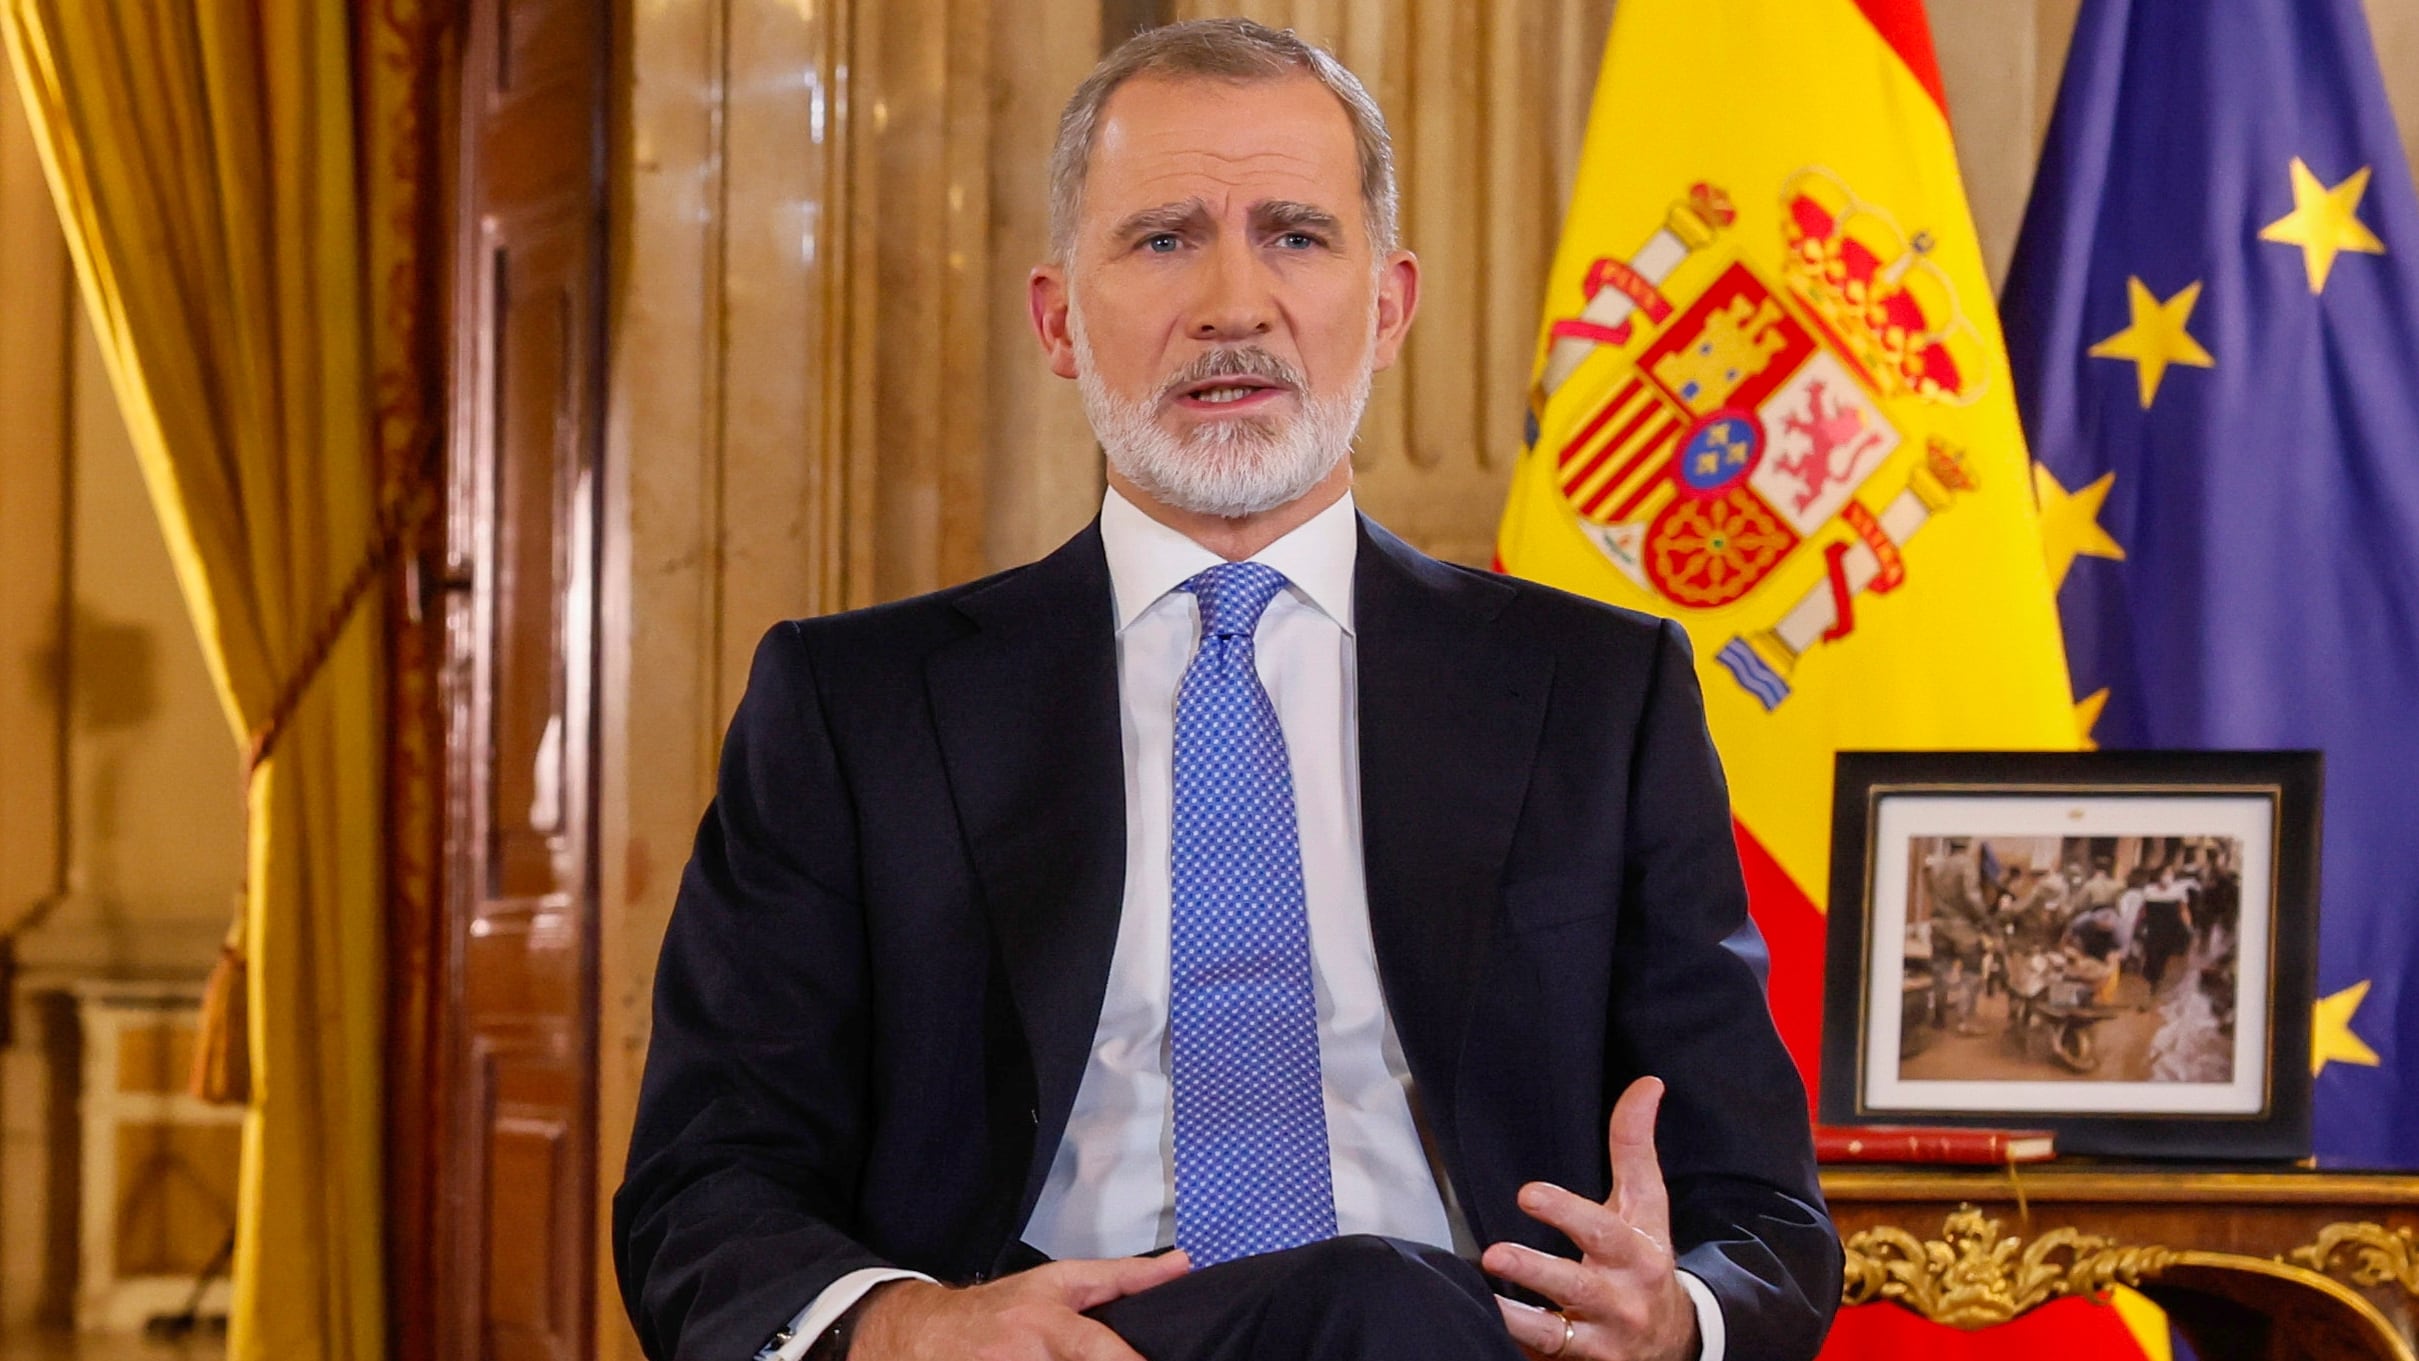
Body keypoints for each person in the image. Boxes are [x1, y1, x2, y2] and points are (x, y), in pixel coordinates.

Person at [612, 19, 1836, 1361]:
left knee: (1376, 1296)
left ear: (1389, 304)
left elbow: (1763, 1214)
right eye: (1163, 238)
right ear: (1058, 318)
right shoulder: (853, 708)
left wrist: (1671, 1318)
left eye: (1298, 235)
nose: (1234, 304)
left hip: (1463, 1331)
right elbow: (702, 1182)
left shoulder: (1601, 695)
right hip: (1043, 1335)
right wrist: (911, 1327)